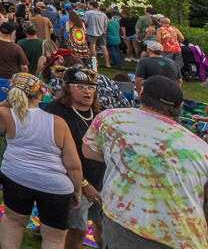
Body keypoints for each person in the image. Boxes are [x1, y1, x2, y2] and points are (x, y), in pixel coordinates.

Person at [83, 76, 208, 249]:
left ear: (141, 92)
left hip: (121, 223)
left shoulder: (109, 119)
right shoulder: (201, 148)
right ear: (180, 106)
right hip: (181, 237)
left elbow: (89, 151)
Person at [0, 73, 83, 249]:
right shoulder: (57, 123)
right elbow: (73, 165)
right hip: (54, 185)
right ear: (40, 95)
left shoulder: (6, 114)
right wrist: (77, 192)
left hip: (16, 176)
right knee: (54, 239)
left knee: (13, 221)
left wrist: (10, 99)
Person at [44, 67, 106, 249]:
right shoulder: (57, 113)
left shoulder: (100, 113)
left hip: (100, 179)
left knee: (103, 223)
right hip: (73, 182)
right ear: (67, 88)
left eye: (91, 87)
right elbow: (56, 154)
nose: (87, 91)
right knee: (77, 229)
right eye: (80, 86)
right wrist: (84, 186)